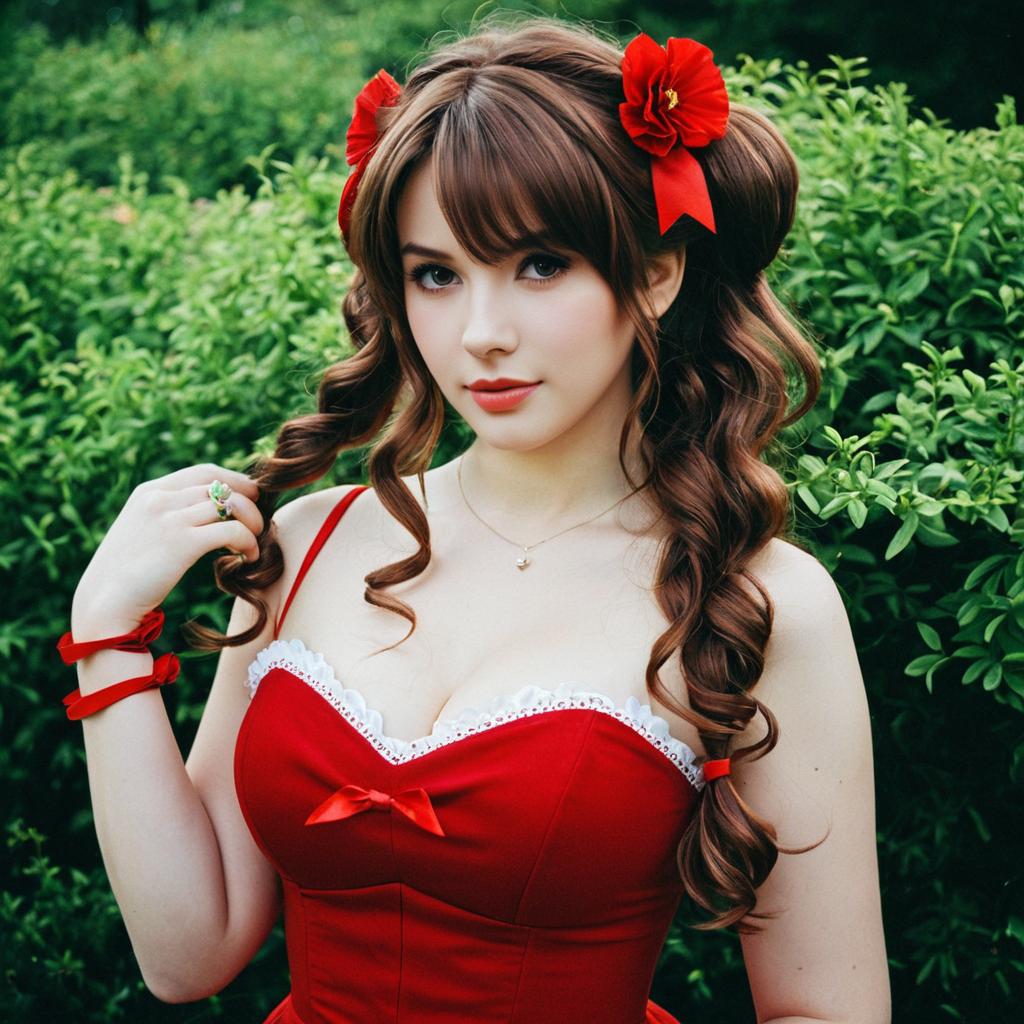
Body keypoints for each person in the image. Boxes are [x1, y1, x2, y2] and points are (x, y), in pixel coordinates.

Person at [59, 12, 890, 1023]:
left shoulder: (756, 600)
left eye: (540, 264)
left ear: (658, 273)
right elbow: (188, 953)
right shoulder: (308, 543)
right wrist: (104, 630)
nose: (481, 334)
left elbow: (826, 1008)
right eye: (436, 274)